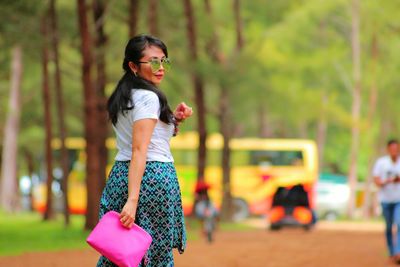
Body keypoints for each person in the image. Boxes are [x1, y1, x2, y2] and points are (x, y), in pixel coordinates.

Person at [97, 34, 193, 267]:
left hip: (122, 175)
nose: (160, 68)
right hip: (150, 180)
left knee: (119, 254)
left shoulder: (124, 95)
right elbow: (140, 149)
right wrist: (133, 200)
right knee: (155, 254)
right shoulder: (149, 97)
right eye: (153, 61)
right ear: (133, 66)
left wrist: (173, 120)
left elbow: (145, 138)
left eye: (164, 61)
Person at [373, 139, 400, 264]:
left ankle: (398, 252)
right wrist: (387, 181)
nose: (394, 151)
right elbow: (377, 181)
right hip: (385, 199)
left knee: (399, 224)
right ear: (388, 149)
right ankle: (391, 252)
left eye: (396, 148)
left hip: (398, 199)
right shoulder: (381, 163)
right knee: (389, 226)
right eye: (392, 148)